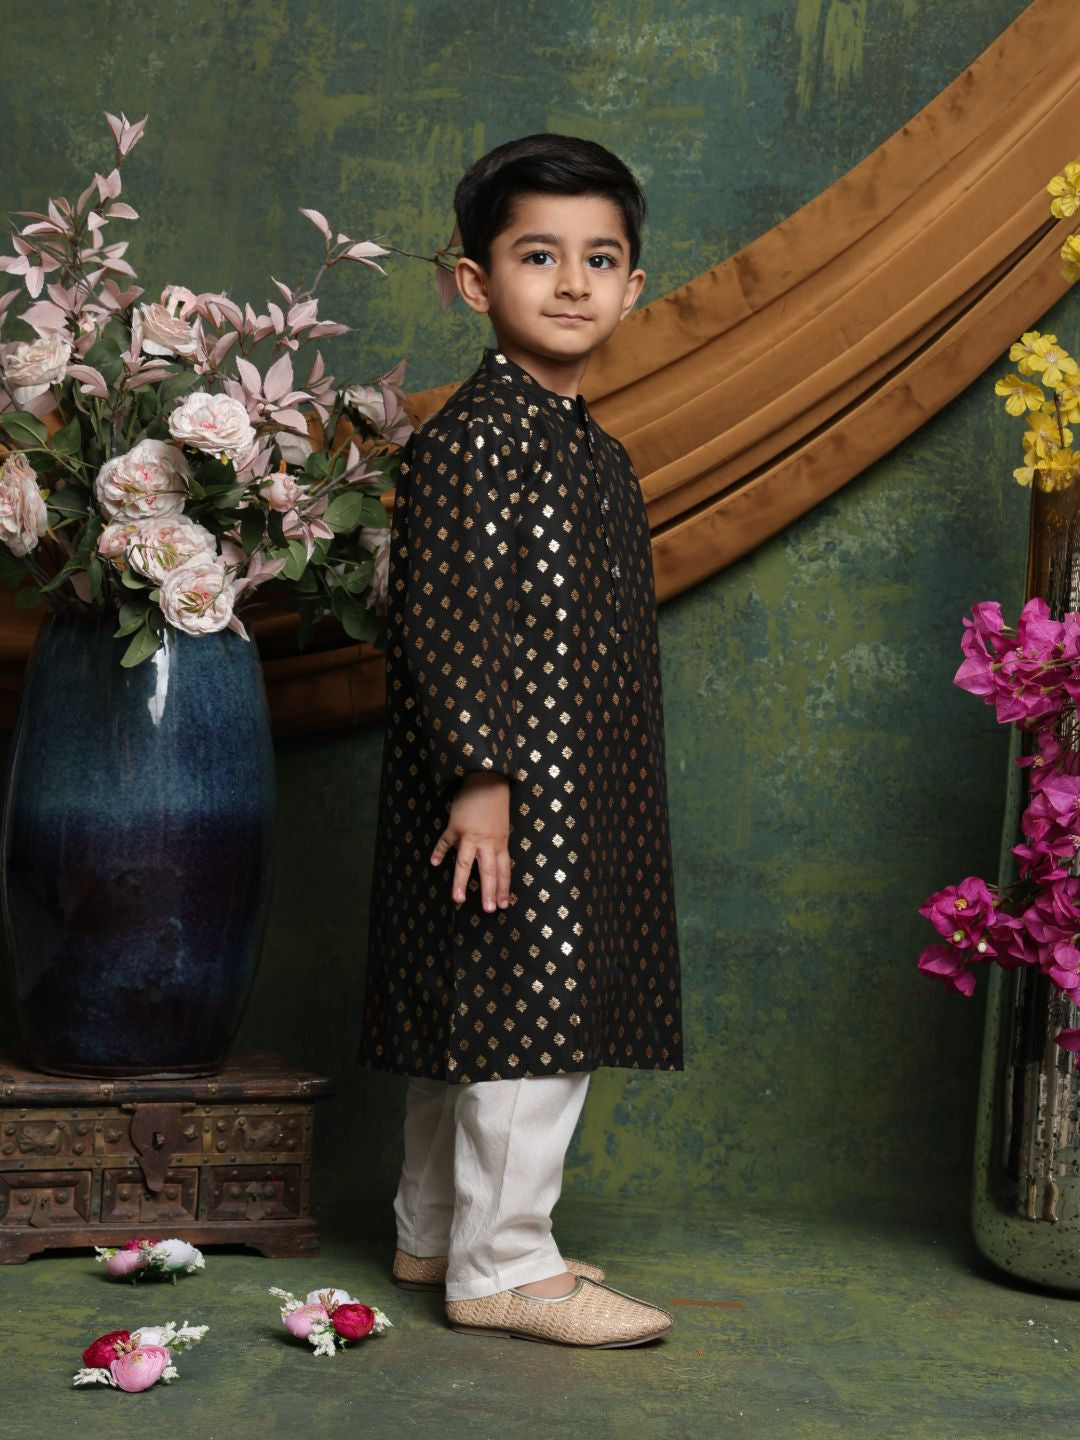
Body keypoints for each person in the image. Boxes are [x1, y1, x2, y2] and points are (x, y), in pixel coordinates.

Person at [362, 133, 682, 1348]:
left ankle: (434, 1228)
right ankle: (502, 1264)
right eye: (538, 255)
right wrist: (481, 779)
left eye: (600, 259)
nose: (571, 282)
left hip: (577, 781)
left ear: (633, 287)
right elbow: (446, 618)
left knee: (474, 996)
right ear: (472, 280)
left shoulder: (591, 449)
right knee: (523, 1008)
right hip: (503, 784)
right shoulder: (474, 439)